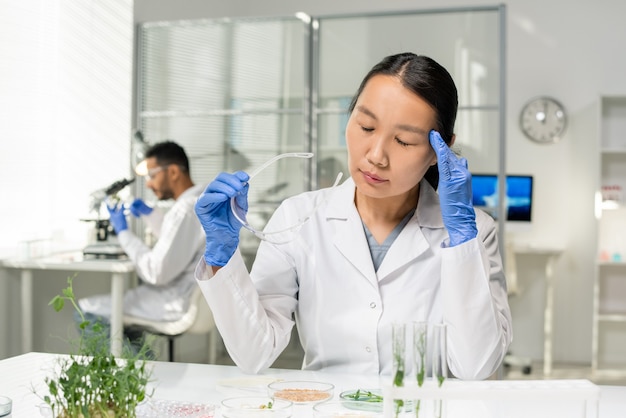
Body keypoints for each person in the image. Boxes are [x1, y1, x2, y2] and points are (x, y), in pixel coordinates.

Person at [194, 53, 512, 380]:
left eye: (403, 141)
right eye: (366, 126)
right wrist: (221, 256)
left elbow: (476, 367)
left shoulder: (474, 233)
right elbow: (254, 354)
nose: (375, 156)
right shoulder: (299, 217)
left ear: (438, 150)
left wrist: (462, 243)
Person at [77, 141, 206, 352]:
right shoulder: (197, 202)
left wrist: (124, 233)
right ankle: (143, 374)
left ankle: (138, 380)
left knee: (87, 310)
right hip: (180, 296)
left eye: (152, 175)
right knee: (119, 313)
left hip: (171, 302)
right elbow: (179, 242)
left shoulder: (184, 210)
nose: (147, 184)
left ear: (173, 171)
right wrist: (151, 215)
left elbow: (156, 271)